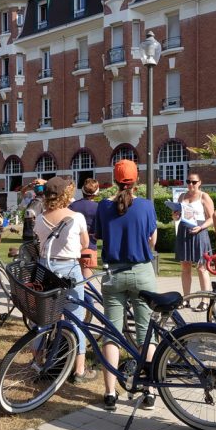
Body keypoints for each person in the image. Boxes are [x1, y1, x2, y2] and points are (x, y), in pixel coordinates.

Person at [94, 160, 158, 412]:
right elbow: (152, 238)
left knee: (112, 332)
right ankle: (149, 390)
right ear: (136, 180)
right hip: (142, 271)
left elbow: (99, 236)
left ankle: (110, 393)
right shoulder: (146, 206)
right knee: (145, 334)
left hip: (113, 273)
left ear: (114, 179)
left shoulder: (103, 206)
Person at [34, 177, 95, 383]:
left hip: (46, 268)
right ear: (65, 195)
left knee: (44, 318)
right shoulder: (75, 217)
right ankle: (79, 369)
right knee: (76, 317)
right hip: (69, 267)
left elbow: (37, 240)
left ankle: (38, 360)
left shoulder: (39, 218)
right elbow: (85, 242)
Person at [173, 173, 214, 308]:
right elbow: (178, 217)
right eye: (188, 181)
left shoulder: (204, 196)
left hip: (199, 232)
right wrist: (175, 216)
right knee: (185, 267)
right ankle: (186, 298)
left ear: (199, 182)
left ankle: (205, 300)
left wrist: (201, 227)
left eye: (194, 182)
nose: (190, 184)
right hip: (184, 232)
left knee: (202, 267)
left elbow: (212, 218)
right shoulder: (182, 196)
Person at [69, 178, 100, 278]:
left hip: (73, 247)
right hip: (90, 246)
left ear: (82, 190)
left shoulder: (73, 206)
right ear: (96, 192)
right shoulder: (98, 207)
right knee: (86, 284)